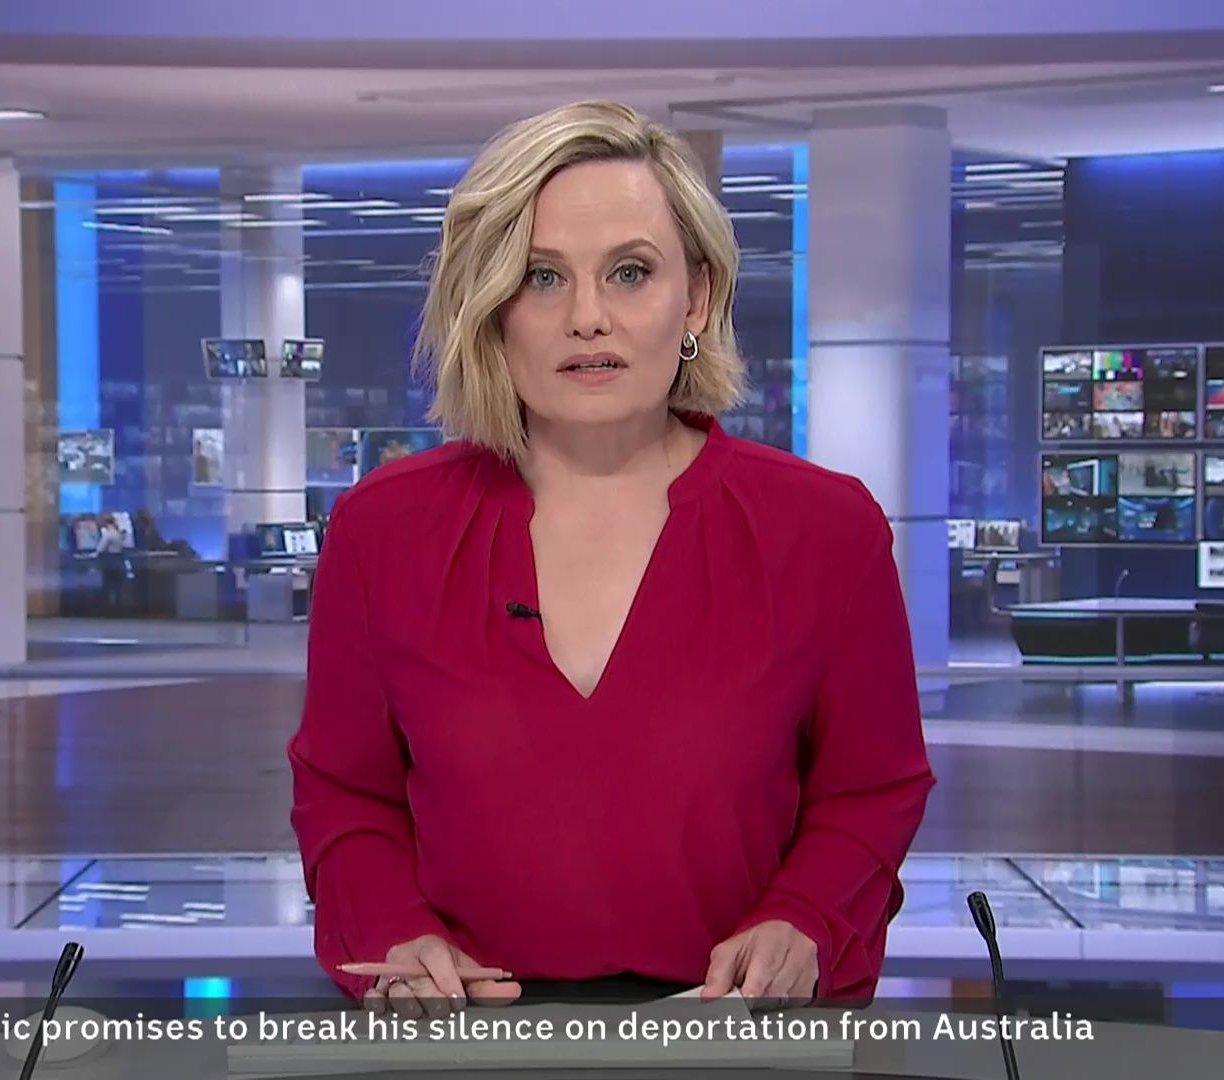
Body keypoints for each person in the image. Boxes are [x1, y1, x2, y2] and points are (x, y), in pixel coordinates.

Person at [289, 101, 935, 1019]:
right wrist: (393, 933)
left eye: (630, 273)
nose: (587, 318)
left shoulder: (827, 531)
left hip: (731, 1040)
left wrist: (804, 920)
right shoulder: (382, 531)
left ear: (696, 298)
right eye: (542, 277)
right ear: (490, 306)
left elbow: (871, 791)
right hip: (464, 1040)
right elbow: (345, 795)